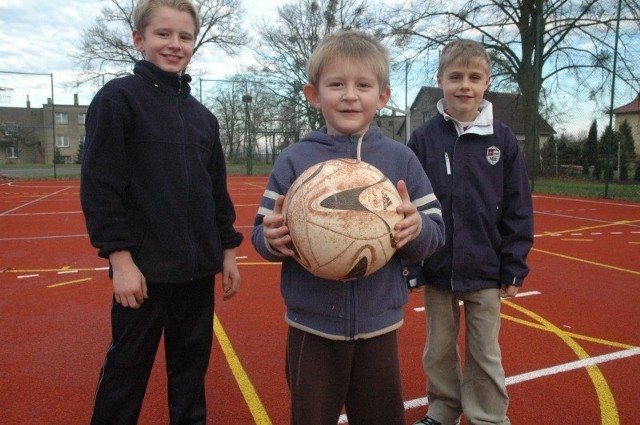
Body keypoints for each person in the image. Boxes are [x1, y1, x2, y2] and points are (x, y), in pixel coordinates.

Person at [251, 29, 445, 425]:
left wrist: (416, 230)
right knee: (311, 417)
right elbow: (260, 234)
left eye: (363, 85)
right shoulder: (294, 160)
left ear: (383, 97)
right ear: (314, 94)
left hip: (379, 325)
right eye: (336, 84)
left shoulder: (401, 160)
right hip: (312, 325)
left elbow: (435, 232)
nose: (350, 95)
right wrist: (272, 239)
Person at [80, 0, 243, 424]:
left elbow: (216, 192)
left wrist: (227, 251)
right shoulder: (118, 100)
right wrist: (120, 260)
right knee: (126, 372)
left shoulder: (203, 117)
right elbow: (101, 188)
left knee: (190, 374)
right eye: (163, 34)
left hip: (196, 273)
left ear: (194, 43)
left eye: (184, 36)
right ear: (140, 39)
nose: (174, 44)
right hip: (143, 274)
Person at [407, 39, 534, 425]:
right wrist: (411, 263)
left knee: (485, 351)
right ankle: (443, 410)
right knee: (439, 349)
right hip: (437, 266)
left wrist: (514, 264)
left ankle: (488, 417)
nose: (465, 85)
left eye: (475, 77)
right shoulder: (424, 139)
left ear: (487, 83)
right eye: (456, 76)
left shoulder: (503, 139)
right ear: (440, 80)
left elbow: (518, 207)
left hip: (486, 267)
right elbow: (407, 204)